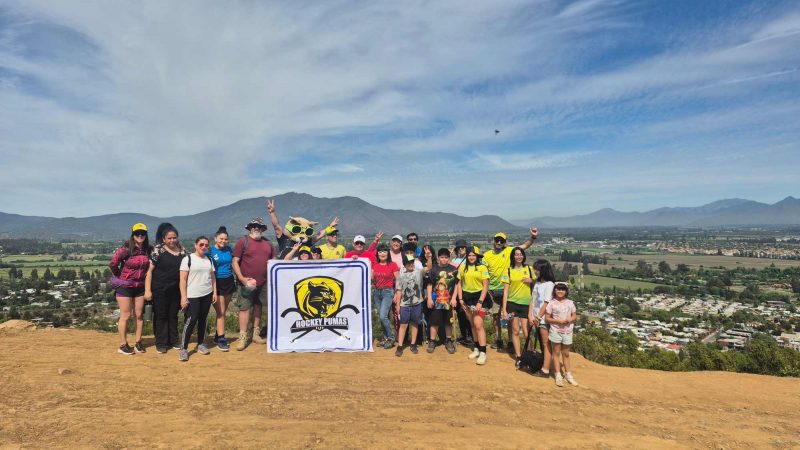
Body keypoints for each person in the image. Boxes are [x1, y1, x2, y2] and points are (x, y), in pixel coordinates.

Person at [482, 228, 538, 351]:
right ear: (493, 241)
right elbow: (482, 272)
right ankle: (498, 340)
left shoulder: (510, 251)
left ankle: (511, 342)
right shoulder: (486, 256)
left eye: (501, 241)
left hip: (509, 291)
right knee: (496, 318)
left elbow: (524, 246)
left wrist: (533, 237)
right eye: (497, 240)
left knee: (511, 319)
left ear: (505, 242)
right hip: (493, 291)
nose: (499, 243)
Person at [231, 217, 274, 351]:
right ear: (250, 228)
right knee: (244, 308)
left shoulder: (268, 244)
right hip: (246, 283)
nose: (256, 228)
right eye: (254, 226)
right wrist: (242, 279)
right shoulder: (243, 242)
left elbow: (273, 262)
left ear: (262, 229)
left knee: (258, 306)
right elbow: (234, 262)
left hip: (263, 282)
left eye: (259, 227)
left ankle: (255, 333)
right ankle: (243, 336)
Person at [109, 223, 151, 355]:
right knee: (125, 316)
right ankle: (123, 345)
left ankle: (138, 342)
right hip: (125, 286)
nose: (140, 236)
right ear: (133, 235)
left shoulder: (148, 249)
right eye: (137, 233)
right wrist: (120, 275)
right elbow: (113, 264)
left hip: (140, 286)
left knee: (139, 315)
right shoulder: (125, 250)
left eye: (142, 233)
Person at [145, 223, 186, 354]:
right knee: (161, 315)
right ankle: (161, 343)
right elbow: (149, 271)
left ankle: (173, 340)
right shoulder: (158, 250)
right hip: (159, 289)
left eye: (174, 238)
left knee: (173, 315)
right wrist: (147, 290)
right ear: (164, 239)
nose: (172, 240)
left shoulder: (182, 250)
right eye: (169, 238)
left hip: (176, 289)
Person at [178, 236, 218, 362]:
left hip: (207, 293)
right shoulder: (188, 259)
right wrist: (183, 297)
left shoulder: (209, 260)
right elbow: (182, 280)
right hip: (192, 295)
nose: (204, 247)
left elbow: (212, 278)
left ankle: (201, 343)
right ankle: (184, 348)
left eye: (206, 245)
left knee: (203, 319)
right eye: (201, 244)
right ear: (195, 245)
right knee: (191, 319)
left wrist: (214, 292)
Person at [456, 246, 491, 365]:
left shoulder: (482, 267)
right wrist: (460, 298)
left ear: (477, 256)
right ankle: (476, 348)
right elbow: (459, 283)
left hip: (479, 298)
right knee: (472, 324)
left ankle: (483, 352)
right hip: (466, 298)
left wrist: (480, 302)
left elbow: (485, 286)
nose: (471, 257)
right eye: (469, 255)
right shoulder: (462, 267)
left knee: (478, 325)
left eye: (473, 255)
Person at [267, 199, 337, 258]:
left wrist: (330, 226)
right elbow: (276, 226)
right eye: (296, 230)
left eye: (307, 232)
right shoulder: (284, 239)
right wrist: (272, 213)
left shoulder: (307, 242)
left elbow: (319, 235)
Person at [501, 247, 534, 367]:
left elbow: (538, 284)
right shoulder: (508, 271)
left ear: (524, 256)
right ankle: (519, 356)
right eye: (516, 254)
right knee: (515, 331)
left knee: (526, 332)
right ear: (513, 257)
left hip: (526, 303)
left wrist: (532, 280)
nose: (519, 256)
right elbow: (505, 291)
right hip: (512, 303)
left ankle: (529, 355)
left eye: (521, 254)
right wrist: (504, 310)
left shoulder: (529, 269)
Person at [425, 248, 458, 354]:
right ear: (438, 258)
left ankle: (448, 340)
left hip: (449, 301)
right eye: (442, 257)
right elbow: (429, 284)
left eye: (446, 257)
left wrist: (454, 298)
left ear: (449, 258)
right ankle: (432, 341)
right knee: (434, 321)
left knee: (449, 322)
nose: (444, 259)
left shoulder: (453, 269)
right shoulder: (434, 269)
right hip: (436, 301)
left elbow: (457, 284)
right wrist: (429, 298)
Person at [545, 282, 578, 387]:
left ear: (566, 291)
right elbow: (547, 318)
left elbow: (574, 316)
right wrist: (558, 322)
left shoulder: (570, 303)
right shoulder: (551, 303)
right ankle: (558, 375)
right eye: (558, 289)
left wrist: (570, 319)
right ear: (554, 290)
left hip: (568, 331)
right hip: (555, 331)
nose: (560, 291)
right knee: (556, 353)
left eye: (562, 289)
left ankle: (568, 375)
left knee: (566, 353)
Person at [208, 226, 234, 352]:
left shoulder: (229, 249)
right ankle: (222, 339)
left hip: (229, 281)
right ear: (215, 238)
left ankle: (217, 335)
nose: (223, 241)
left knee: (223, 312)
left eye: (226, 239)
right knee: (221, 312)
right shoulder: (210, 250)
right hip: (216, 282)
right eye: (221, 239)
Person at [529, 259, 556, 378]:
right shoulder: (538, 283)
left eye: (538, 269)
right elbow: (533, 299)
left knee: (545, 344)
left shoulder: (550, 284)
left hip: (543, 318)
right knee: (541, 342)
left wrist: (539, 317)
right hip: (536, 317)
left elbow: (546, 302)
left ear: (543, 270)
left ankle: (545, 370)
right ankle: (544, 365)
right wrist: (530, 315)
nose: (535, 271)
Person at [394, 253, 425, 357]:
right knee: (403, 325)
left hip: (417, 303)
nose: (411, 264)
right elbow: (399, 291)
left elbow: (429, 267)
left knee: (415, 324)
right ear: (404, 265)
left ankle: (413, 344)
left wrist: (429, 257)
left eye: (412, 262)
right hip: (405, 304)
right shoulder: (401, 276)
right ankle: (400, 345)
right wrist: (398, 305)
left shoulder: (419, 272)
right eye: (408, 263)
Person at [372, 243, 399, 349]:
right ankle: (385, 337)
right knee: (382, 317)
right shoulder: (375, 265)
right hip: (377, 293)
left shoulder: (393, 265)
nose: (382, 253)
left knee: (383, 316)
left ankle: (391, 337)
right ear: (377, 254)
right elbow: (371, 277)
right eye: (380, 252)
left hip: (388, 292)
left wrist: (397, 293)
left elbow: (398, 280)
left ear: (388, 253)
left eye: (384, 251)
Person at [450, 239, 471, 345]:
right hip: (457, 290)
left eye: (463, 247)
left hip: (468, 290)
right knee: (461, 314)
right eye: (459, 247)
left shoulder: (470, 259)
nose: (461, 249)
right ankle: (464, 336)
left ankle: (471, 336)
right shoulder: (454, 261)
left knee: (469, 314)